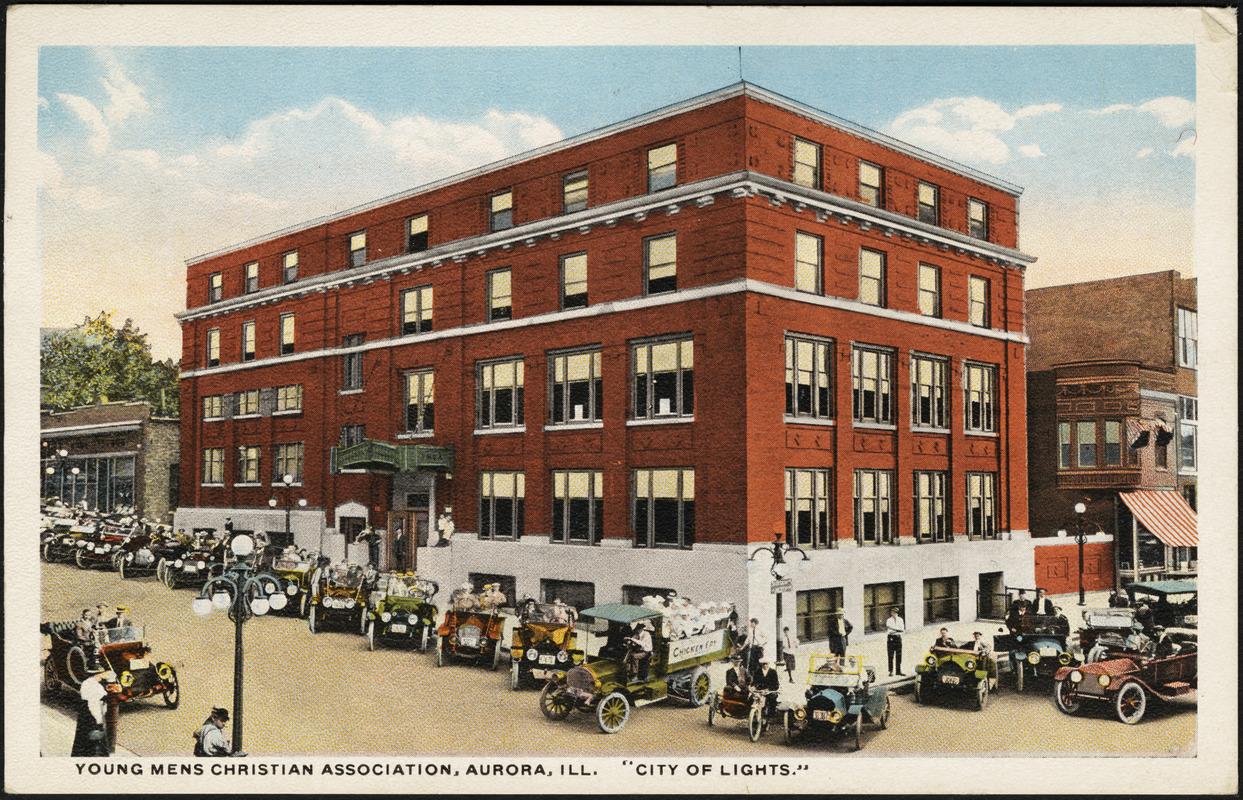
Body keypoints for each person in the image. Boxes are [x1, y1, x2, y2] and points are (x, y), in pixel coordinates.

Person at [72, 671, 113, 757]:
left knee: (82, 740)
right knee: (95, 743)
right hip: (92, 718)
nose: (101, 676)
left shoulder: (88, 683)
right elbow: (94, 708)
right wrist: (99, 721)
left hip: (86, 715)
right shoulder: (93, 686)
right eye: (100, 674)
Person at [885, 607, 905, 676]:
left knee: (899, 655)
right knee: (890, 655)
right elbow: (889, 630)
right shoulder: (889, 620)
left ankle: (898, 671)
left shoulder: (900, 620)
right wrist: (897, 630)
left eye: (895, 613)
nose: (893, 614)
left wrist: (893, 629)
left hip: (898, 638)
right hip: (891, 638)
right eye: (892, 612)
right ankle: (890, 671)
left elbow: (902, 629)